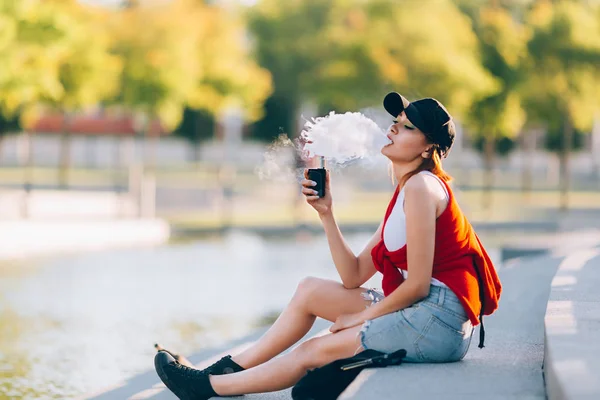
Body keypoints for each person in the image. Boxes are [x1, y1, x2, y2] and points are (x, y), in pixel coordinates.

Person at [154, 92, 502, 400]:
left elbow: (417, 286)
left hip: (438, 323)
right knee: (309, 290)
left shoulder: (423, 189)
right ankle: (223, 371)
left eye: (408, 127)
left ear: (429, 147)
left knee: (313, 350)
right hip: (424, 310)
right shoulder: (405, 193)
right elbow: (353, 276)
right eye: (396, 121)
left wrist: (359, 318)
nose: (394, 128)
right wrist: (326, 213)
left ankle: (204, 388)